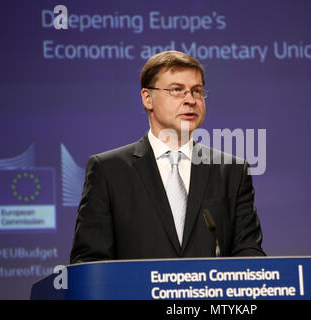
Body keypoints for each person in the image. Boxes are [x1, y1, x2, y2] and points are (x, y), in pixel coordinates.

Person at [70, 50, 265, 263]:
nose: (190, 100)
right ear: (147, 98)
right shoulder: (108, 170)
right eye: (176, 90)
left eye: (197, 91)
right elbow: (89, 261)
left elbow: (249, 256)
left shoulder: (231, 170)